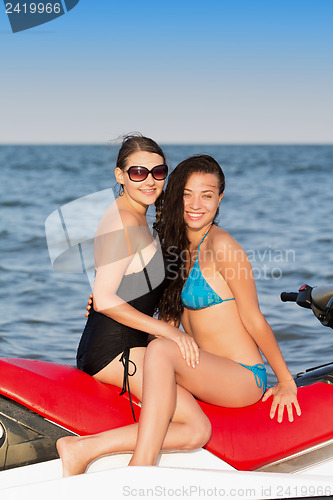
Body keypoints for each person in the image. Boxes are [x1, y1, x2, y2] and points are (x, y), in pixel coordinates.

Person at [57, 152, 301, 475]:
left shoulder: (223, 245)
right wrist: (106, 307)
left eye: (207, 195)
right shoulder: (174, 250)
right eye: (187, 194)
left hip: (244, 376)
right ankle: (82, 449)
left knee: (160, 349)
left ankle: (140, 468)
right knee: (194, 428)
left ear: (220, 198)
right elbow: (165, 323)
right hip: (205, 370)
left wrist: (285, 380)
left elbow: (254, 319)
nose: (196, 204)